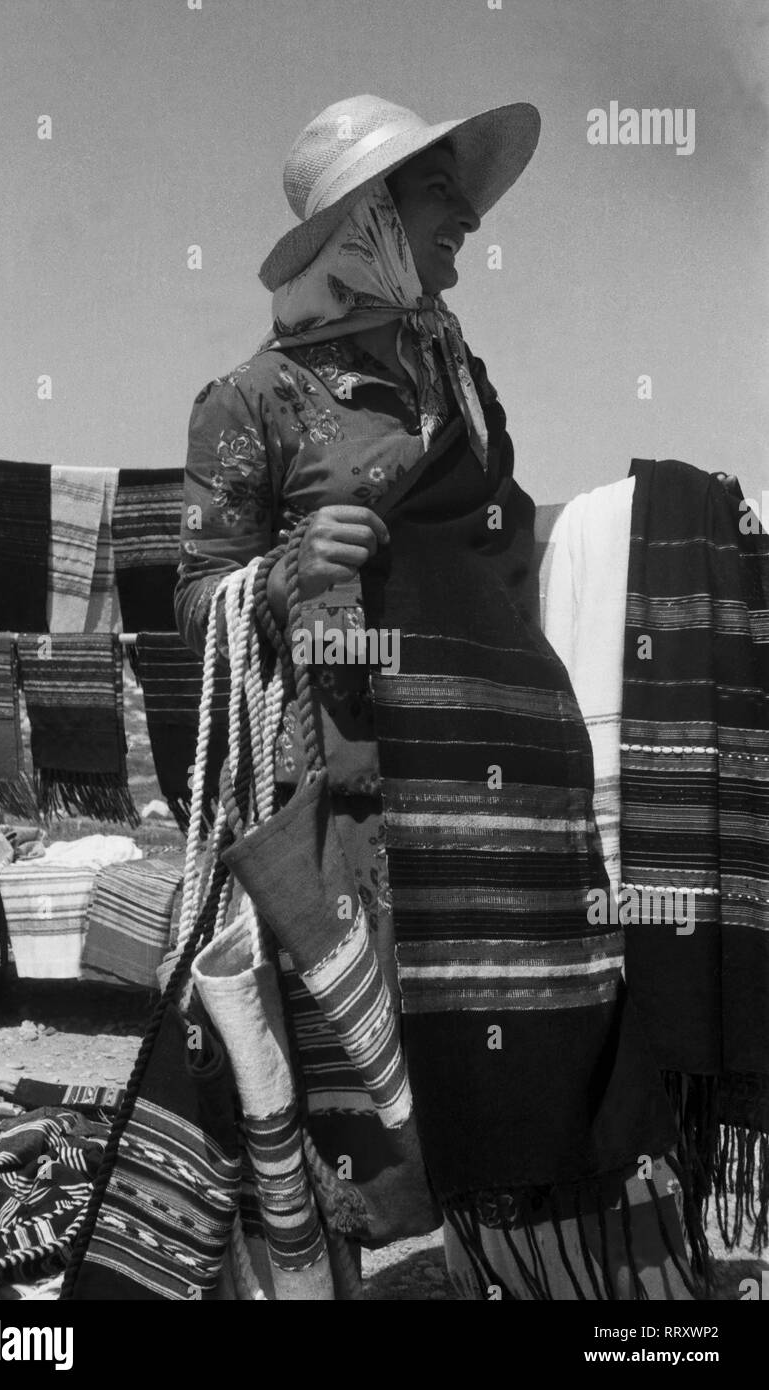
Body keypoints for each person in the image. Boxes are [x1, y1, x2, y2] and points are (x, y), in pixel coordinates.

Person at [175, 94, 698, 1300]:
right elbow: (188, 604)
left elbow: (495, 546)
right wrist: (286, 573)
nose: (466, 212)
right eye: (435, 192)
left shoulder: (457, 377)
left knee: (510, 1084)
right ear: (369, 220)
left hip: (494, 789)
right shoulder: (253, 399)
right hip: (349, 786)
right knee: (371, 1091)